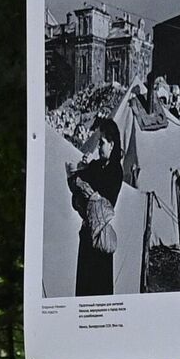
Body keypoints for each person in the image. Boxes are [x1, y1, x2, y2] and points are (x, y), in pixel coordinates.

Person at [65, 116, 123, 297]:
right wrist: (83, 170)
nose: (98, 147)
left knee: (99, 292)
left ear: (112, 145)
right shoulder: (97, 166)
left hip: (100, 238)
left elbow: (99, 198)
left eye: (102, 143)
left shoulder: (115, 171)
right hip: (88, 235)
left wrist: (86, 174)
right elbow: (78, 190)